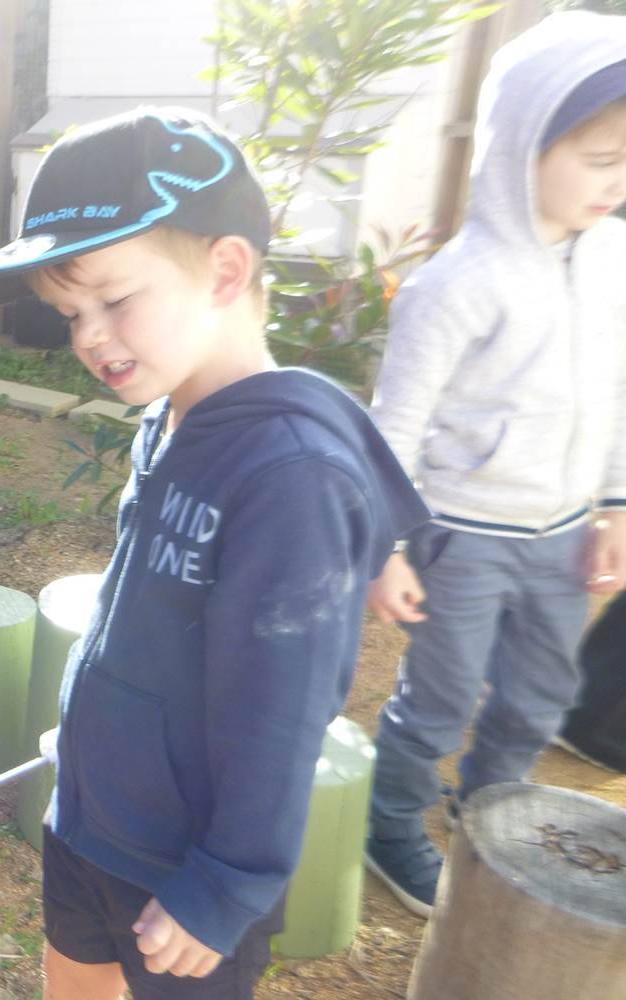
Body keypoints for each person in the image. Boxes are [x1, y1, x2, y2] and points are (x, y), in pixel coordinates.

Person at [0, 107, 427, 999]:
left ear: (226, 269)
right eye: (67, 312)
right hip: (91, 814)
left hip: (184, 872)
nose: (87, 337)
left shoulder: (289, 477)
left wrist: (227, 883)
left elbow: (282, 711)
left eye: (114, 300)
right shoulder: (175, 413)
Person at [363, 11, 626, 917]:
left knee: (539, 697)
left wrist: (618, 505)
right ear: (523, 146)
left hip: (563, 537)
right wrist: (384, 547)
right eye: (599, 159)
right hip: (463, 535)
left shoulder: (618, 260)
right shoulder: (453, 286)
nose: (616, 181)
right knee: (436, 702)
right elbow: (393, 428)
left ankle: (493, 820)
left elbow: (620, 391)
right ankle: (390, 824)